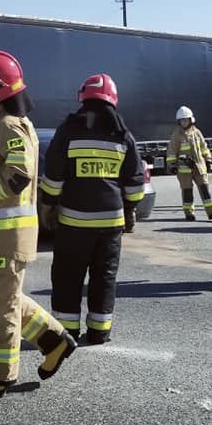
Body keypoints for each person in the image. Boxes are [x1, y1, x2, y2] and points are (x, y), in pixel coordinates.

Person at [0, 50, 76, 406]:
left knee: (0, 308)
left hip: (8, 235)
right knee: (3, 298)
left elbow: (18, 176)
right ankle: (54, 341)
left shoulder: (11, 126)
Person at [39, 73, 145, 345]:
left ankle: (66, 332)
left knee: (67, 277)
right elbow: (135, 183)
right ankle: (99, 331)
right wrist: (130, 209)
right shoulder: (123, 135)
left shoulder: (69, 130)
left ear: (83, 98)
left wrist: (48, 206)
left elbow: (53, 175)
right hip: (110, 225)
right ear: (113, 100)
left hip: (74, 223)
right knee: (104, 277)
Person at [166, 106, 212, 221]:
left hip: (199, 167)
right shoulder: (176, 135)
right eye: (182, 120)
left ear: (191, 120)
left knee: (205, 188)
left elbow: (203, 147)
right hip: (184, 170)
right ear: (179, 122)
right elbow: (171, 151)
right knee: (187, 191)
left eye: (186, 120)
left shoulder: (197, 133)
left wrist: (208, 160)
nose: (184, 122)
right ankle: (189, 213)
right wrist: (172, 165)